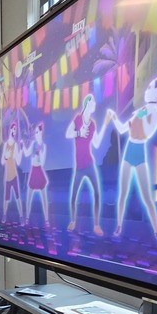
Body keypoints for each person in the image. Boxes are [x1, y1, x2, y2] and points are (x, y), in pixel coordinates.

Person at [106, 77, 157, 246]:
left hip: (140, 152)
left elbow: (148, 133)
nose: (147, 90)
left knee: (147, 197)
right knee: (122, 194)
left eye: (150, 88)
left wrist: (143, 116)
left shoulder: (156, 113)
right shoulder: (140, 111)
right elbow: (123, 129)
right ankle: (119, 227)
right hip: (129, 151)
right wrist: (114, 117)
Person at [65, 94, 105, 236]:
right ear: (87, 103)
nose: (95, 104)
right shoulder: (77, 119)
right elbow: (68, 134)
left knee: (97, 193)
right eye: (93, 102)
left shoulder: (93, 124)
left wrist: (105, 124)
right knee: (74, 195)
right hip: (79, 168)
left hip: (90, 164)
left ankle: (96, 225)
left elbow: (97, 142)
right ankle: (73, 221)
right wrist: (79, 132)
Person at [22, 123, 50, 227]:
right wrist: (23, 144)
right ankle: (27, 218)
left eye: (37, 132)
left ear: (41, 133)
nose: (36, 133)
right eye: (35, 132)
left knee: (44, 198)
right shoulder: (33, 143)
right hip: (33, 171)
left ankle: (47, 220)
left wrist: (40, 152)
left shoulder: (44, 146)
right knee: (29, 197)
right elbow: (27, 153)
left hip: (39, 171)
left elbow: (42, 163)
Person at [0, 121, 25, 224]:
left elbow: (18, 161)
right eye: (13, 129)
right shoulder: (6, 145)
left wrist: (21, 150)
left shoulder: (15, 145)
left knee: (18, 197)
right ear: (10, 129)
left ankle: (21, 217)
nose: (14, 131)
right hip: (7, 176)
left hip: (14, 175)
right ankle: (4, 215)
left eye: (15, 130)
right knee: (6, 199)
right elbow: (2, 161)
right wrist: (6, 156)